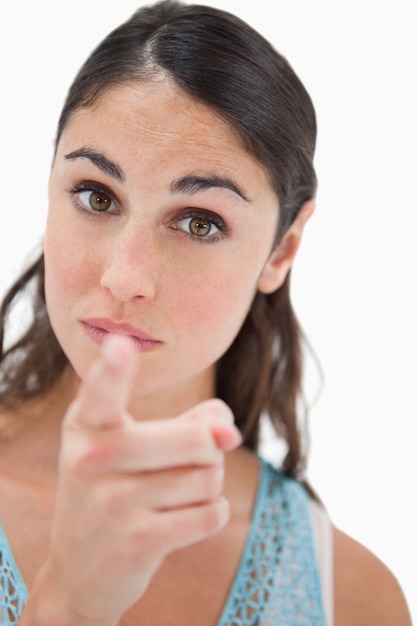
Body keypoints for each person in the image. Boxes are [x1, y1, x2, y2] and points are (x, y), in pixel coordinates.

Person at [0, 0, 412, 624]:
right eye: (95, 195)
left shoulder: (355, 600)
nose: (125, 276)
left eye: (200, 222)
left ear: (284, 249)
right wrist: (67, 606)